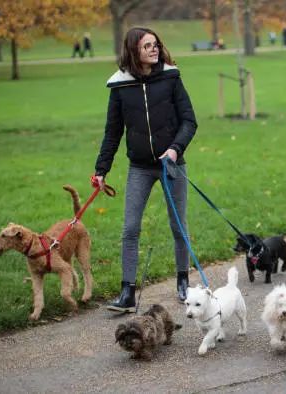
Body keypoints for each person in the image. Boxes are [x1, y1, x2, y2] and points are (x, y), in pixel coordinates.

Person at [94, 27, 198, 312]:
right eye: (147, 46)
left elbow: (189, 121)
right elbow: (112, 133)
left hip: (171, 164)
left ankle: (183, 281)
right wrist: (101, 169)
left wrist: (175, 149)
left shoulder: (171, 78)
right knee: (130, 228)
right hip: (139, 167)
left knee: (179, 226)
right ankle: (127, 292)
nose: (154, 49)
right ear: (133, 51)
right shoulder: (120, 87)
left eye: (156, 44)